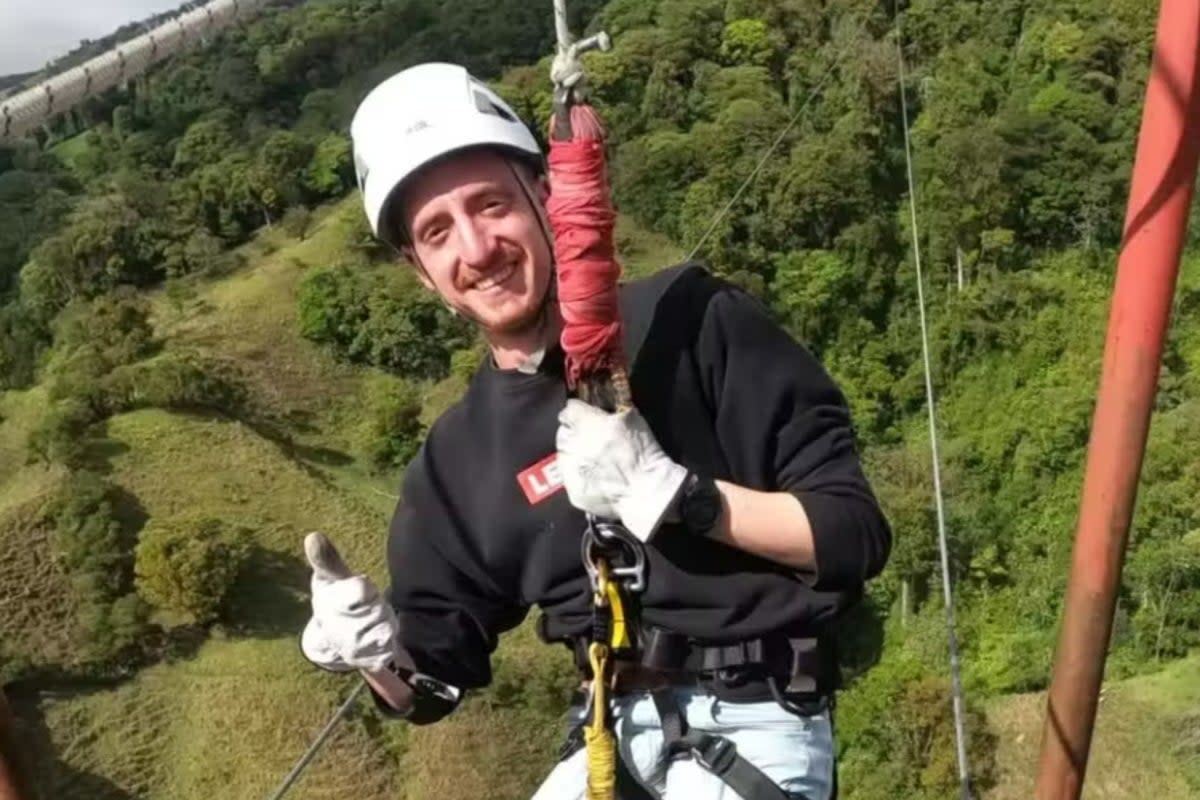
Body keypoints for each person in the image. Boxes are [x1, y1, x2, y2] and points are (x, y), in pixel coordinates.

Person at [300, 62, 892, 800]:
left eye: (492, 205)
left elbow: (852, 534)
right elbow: (430, 688)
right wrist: (371, 655)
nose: (477, 248)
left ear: (544, 198)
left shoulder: (692, 321)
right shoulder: (459, 459)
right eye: (438, 232)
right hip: (607, 733)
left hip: (757, 715)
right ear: (421, 272)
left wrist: (682, 497)